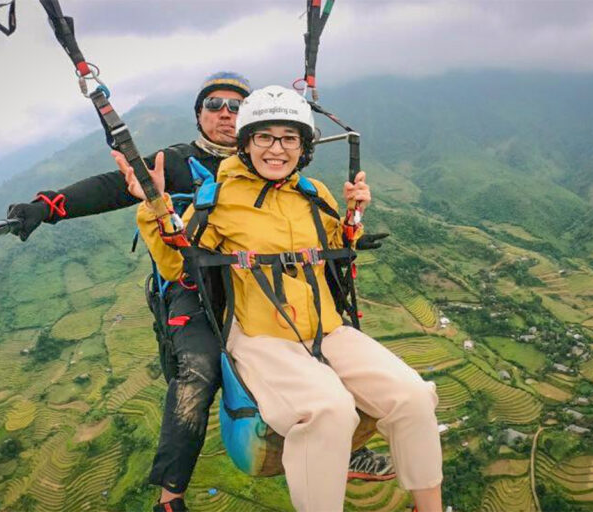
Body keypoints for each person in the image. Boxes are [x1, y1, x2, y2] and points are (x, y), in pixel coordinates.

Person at [7, 73, 394, 512]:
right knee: (198, 368)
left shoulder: (274, 162)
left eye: (235, 107)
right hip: (195, 284)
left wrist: (348, 240)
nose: (225, 114)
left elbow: (297, 223)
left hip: (263, 283)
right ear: (199, 115)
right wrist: (47, 207)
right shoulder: (173, 163)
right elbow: (112, 187)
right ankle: (170, 495)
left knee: (328, 340)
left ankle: (341, 446)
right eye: (215, 105)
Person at [126, 85, 443, 512]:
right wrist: (155, 205)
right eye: (265, 137)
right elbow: (176, 262)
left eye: (289, 138)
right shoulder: (215, 202)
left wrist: (355, 216)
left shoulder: (315, 196)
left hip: (327, 329)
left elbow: (340, 249)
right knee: (328, 410)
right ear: (246, 143)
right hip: (261, 336)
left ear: (303, 147)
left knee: (415, 397)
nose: (277, 149)